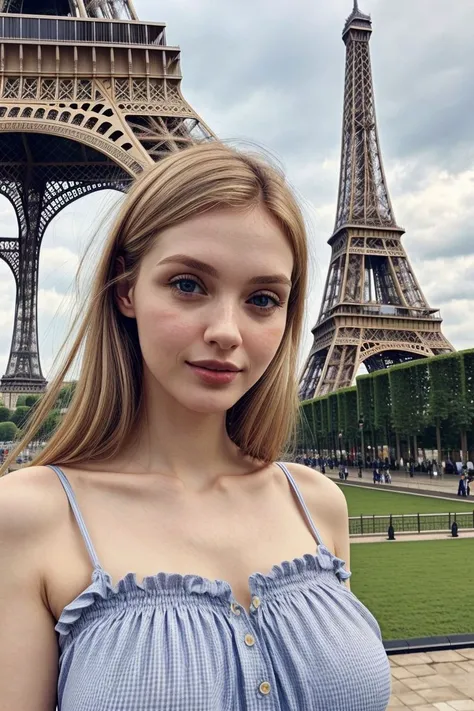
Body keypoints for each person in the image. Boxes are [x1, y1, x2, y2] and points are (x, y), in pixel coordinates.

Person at [0, 144, 391, 711]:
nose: (227, 331)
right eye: (188, 284)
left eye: (263, 299)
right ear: (126, 289)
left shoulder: (318, 504)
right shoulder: (27, 516)